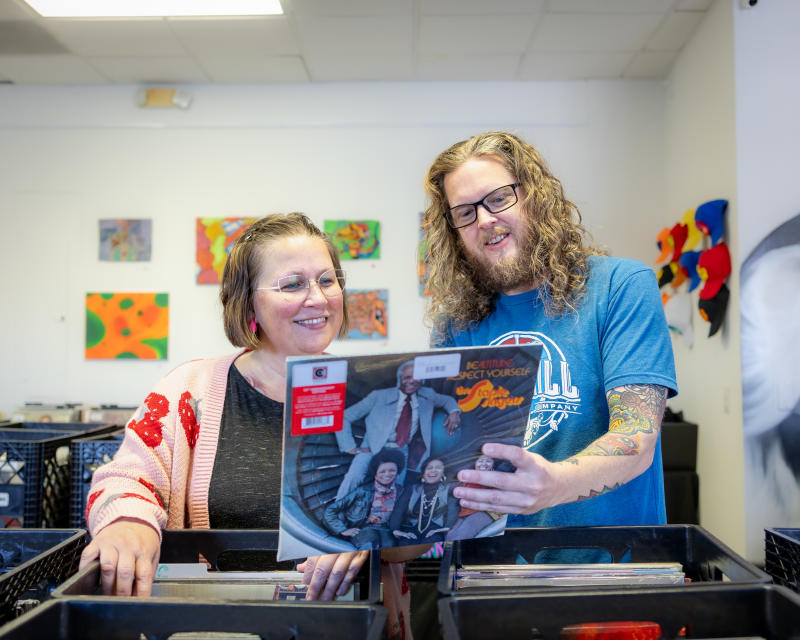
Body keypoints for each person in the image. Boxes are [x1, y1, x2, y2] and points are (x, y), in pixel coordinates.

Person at [79, 213, 424, 608]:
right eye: (293, 284)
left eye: (327, 280)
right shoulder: (187, 392)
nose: (318, 297)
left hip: (347, 624)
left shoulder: (381, 392)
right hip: (215, 627)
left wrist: (368, 537)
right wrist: (129, 523)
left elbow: (414, 533)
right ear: (249, 303)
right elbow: (126, 476)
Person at [421, 131, 678, 529]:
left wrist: (555, 484)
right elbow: (451, 457)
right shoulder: (455, 327)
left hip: (614, 570)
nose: (485, 220)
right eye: (465, 212)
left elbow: (637, 437)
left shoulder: (620, 286)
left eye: (499, 198)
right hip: (494, 573)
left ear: (535, 196)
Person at [333, 360, 461, 500]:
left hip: (401, 450)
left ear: (422, 380)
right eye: (407, 377)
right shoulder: (379, 396)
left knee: (397, 486)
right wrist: (350, 447)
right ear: (399, 379)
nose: (411, 381)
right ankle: (336, 508)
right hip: (373, 448)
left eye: (416, 377)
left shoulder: (428, 394)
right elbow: (344, 417)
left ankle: (383, 518)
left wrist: (454, 412)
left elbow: (447, 400)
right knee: (354, 476)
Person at [323, 448, 406, 550]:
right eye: (382, 471)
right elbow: (330, 510)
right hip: (364, 529)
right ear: (375, 474)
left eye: (392, 470)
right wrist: (342, 530)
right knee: (369, 547)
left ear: (398, 472)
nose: (387, 474)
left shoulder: (401, 491)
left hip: (387, 530)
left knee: (390, 549)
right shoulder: (363, 491)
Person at [391, 457, 459, 543]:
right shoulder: (412, 489)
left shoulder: (448, 489)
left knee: (432, 551)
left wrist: (441, 530)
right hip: (410, 530)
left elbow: (453, 511)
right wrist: (396, 530)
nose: (433, 470)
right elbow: (398, 510)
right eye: (429, 468)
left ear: (443, 473)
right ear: (423, 473)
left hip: (435, 532)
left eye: (438, 467)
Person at [445, 455, 500, 541]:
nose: (484, 464)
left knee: (461, 536)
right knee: (450, 536)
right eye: (480, 461)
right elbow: (454, 488)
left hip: (483, 512)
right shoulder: (468, 477)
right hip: (464, 513)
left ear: (493, 464)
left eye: (488, 461)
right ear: (475, 464)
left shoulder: (494, 476)